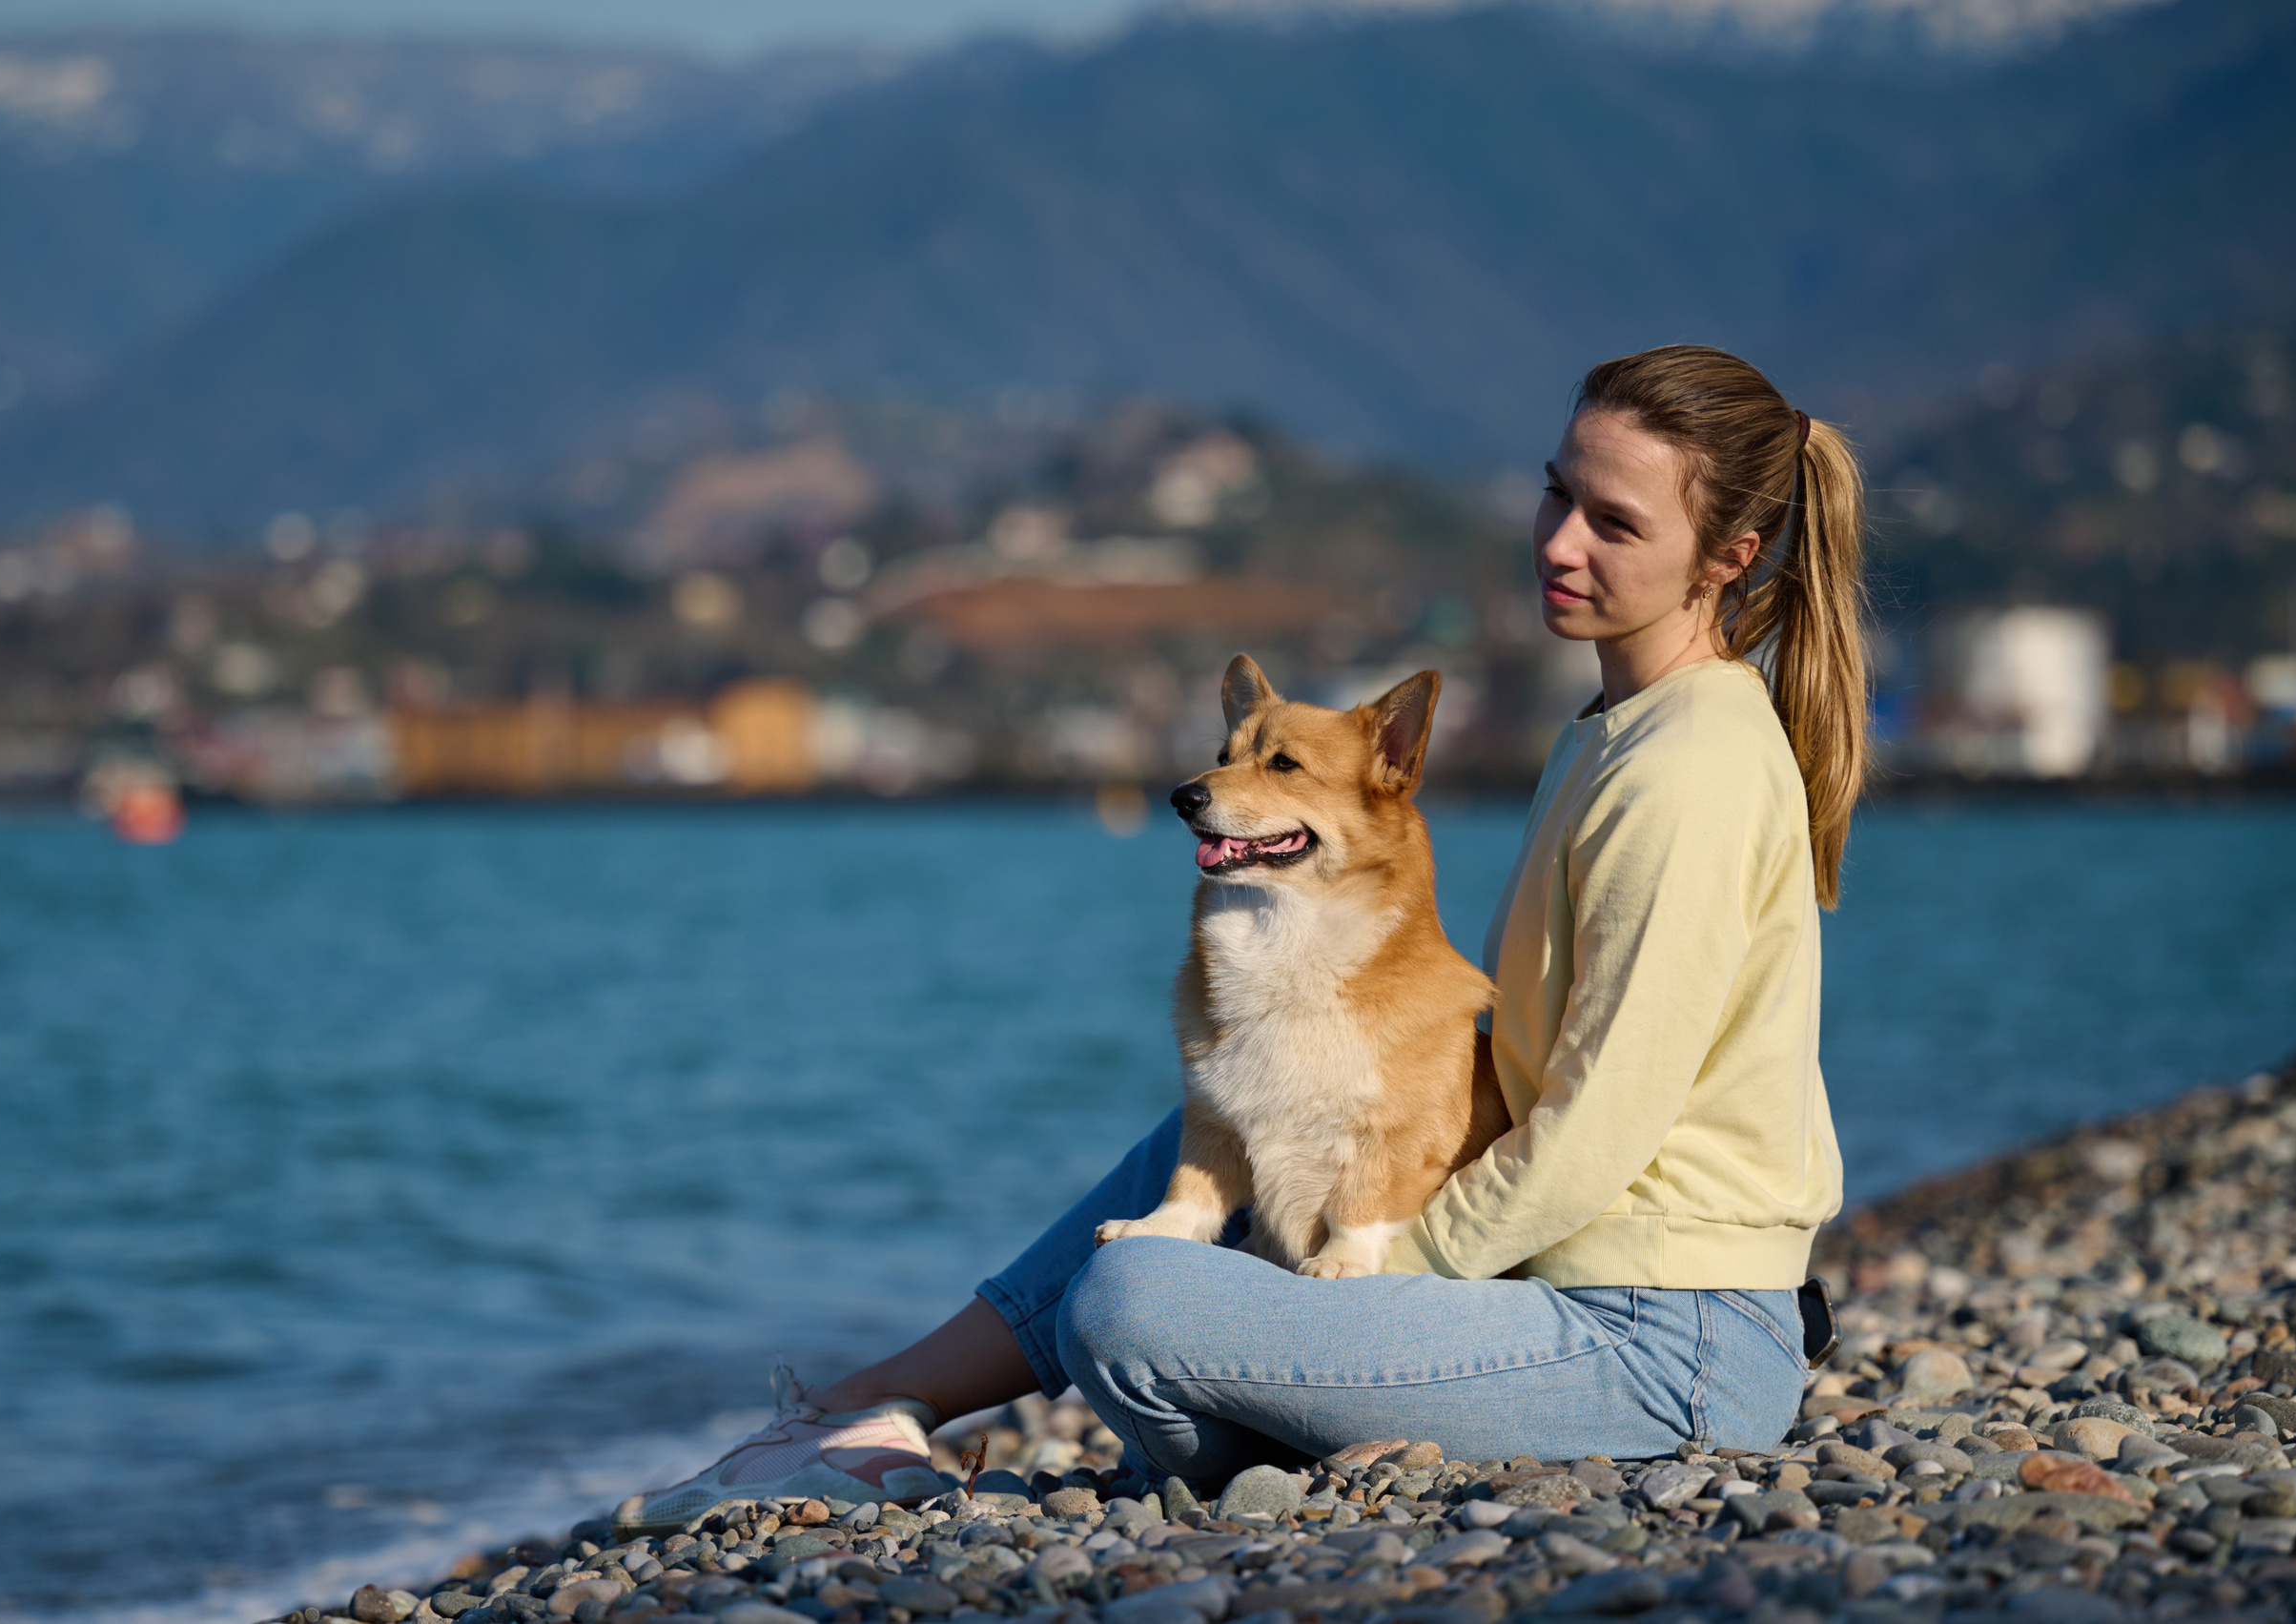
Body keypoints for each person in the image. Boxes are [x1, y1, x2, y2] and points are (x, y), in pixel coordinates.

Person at [616, 343, 1860, 1533]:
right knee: (1232, 1112)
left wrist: (1381, 1271)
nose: (1560, 542)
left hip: (1662, 1344)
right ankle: (863, 1414)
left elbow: (1602, 1130)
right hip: (1587, 1292)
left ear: (1728, 557)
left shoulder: (1687, 769)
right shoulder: (1616, 729)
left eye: (1616, 524)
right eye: (1556, 494)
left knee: (1133, 1298)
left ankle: (1222, 1411)